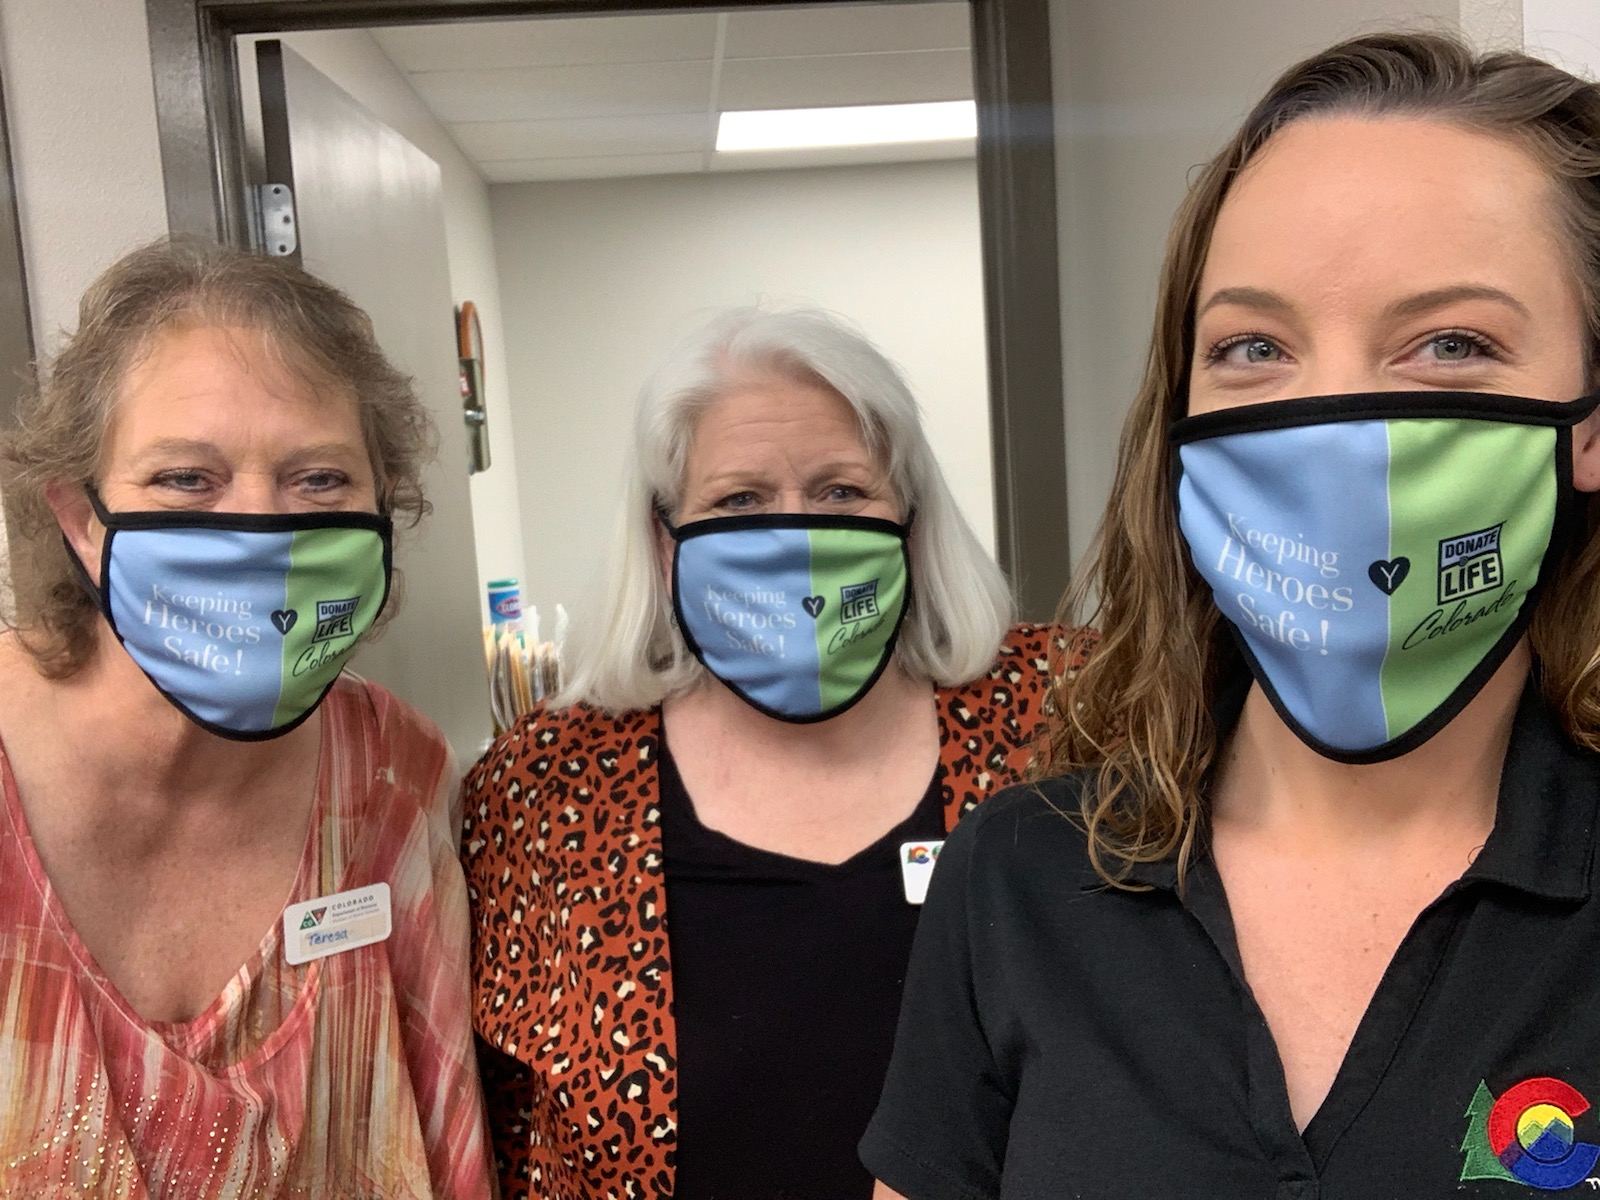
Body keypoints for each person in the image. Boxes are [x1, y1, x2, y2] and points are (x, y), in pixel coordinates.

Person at [863, 31, 1600, 1200]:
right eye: (1254, 346)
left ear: (1588, 425)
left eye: (1450, 343)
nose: (1332, 429)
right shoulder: (1017, 878)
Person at [461, 307, 1090, 1199]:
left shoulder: (1063, 715)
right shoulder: (543, 787)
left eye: (842, 492)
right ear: (663, 541)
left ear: (912, 521)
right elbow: (498, 1123)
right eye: (739, 501)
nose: (796, 538)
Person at [0, 239, 493, 1198]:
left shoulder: (391, 771)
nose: (264, 528)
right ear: (80, 521)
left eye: (321, 481)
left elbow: (448, 1139)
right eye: (187, 478)